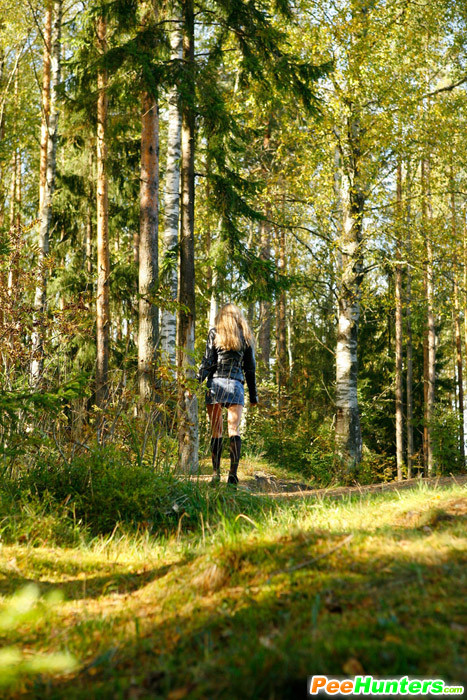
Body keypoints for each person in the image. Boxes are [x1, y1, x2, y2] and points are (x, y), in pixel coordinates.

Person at [197, 304, 258, 486]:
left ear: (221, 316)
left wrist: (195, 384)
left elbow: (208, 362)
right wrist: (254, 396)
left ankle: (215, 474)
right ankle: (232, 474)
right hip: (236, 385)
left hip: (215, 384)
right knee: (234, 430)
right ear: (238, 317)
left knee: (217, 430)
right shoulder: (245, 336)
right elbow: (250, 369)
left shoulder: (214, 333)